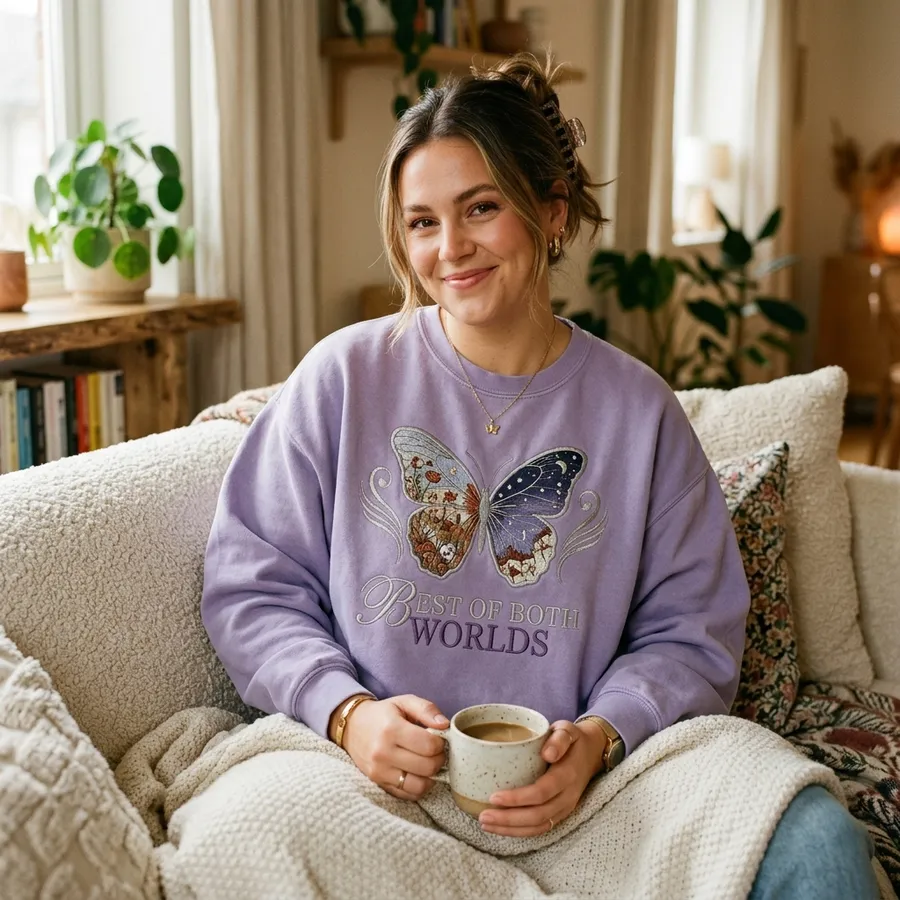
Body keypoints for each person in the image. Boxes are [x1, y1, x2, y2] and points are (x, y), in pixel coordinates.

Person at [201, 55, 878, 897]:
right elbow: (251, 586)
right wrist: (345, 713)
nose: (449, 250)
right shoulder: (342, 379)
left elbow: (692, 633)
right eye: (421, 223)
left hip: (597, 793)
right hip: (377, 787)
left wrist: (601, 737)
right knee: (239, 833)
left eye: (480, 208)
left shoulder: (639, 411)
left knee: (817, 847)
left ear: (551, 210)